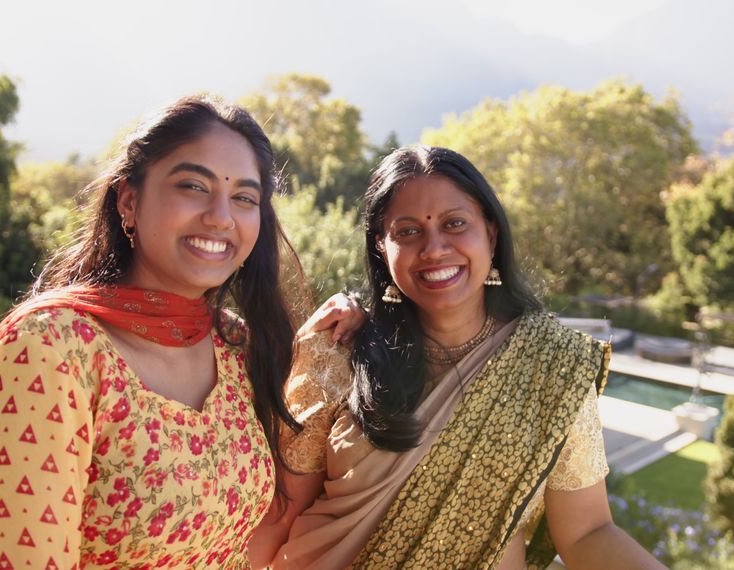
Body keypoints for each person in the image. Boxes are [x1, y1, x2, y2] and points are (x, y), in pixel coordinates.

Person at [0, 95, 360, 569]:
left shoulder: (235, 346)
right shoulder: (52, 349)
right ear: (129, 201)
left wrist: (332, 351)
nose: (221, 216)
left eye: (243, 197)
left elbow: (251, 539)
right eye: (194, 186)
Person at [260, 146, 664, 569]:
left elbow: (586, 533)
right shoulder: (339, 350)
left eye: (455, 224)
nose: (434, 248)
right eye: (408, 231)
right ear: (381, 246)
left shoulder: (551, 365)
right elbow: (283, 514)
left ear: (490, 233)